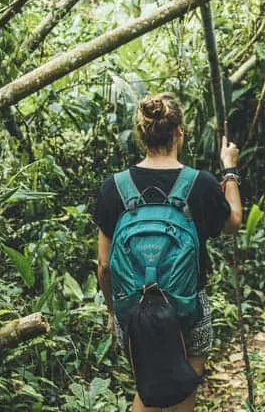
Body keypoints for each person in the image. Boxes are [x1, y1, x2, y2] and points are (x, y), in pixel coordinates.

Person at [94, 93, 243, 411]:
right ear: (180, 132)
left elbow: (104, 266)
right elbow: (234, 222)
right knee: (181, 391)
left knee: (149, 387)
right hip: (188, 307)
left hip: (134, 312)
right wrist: (229, 170)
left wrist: (113, 312)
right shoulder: (200, 184)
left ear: (140, 134)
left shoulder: (113, 187)